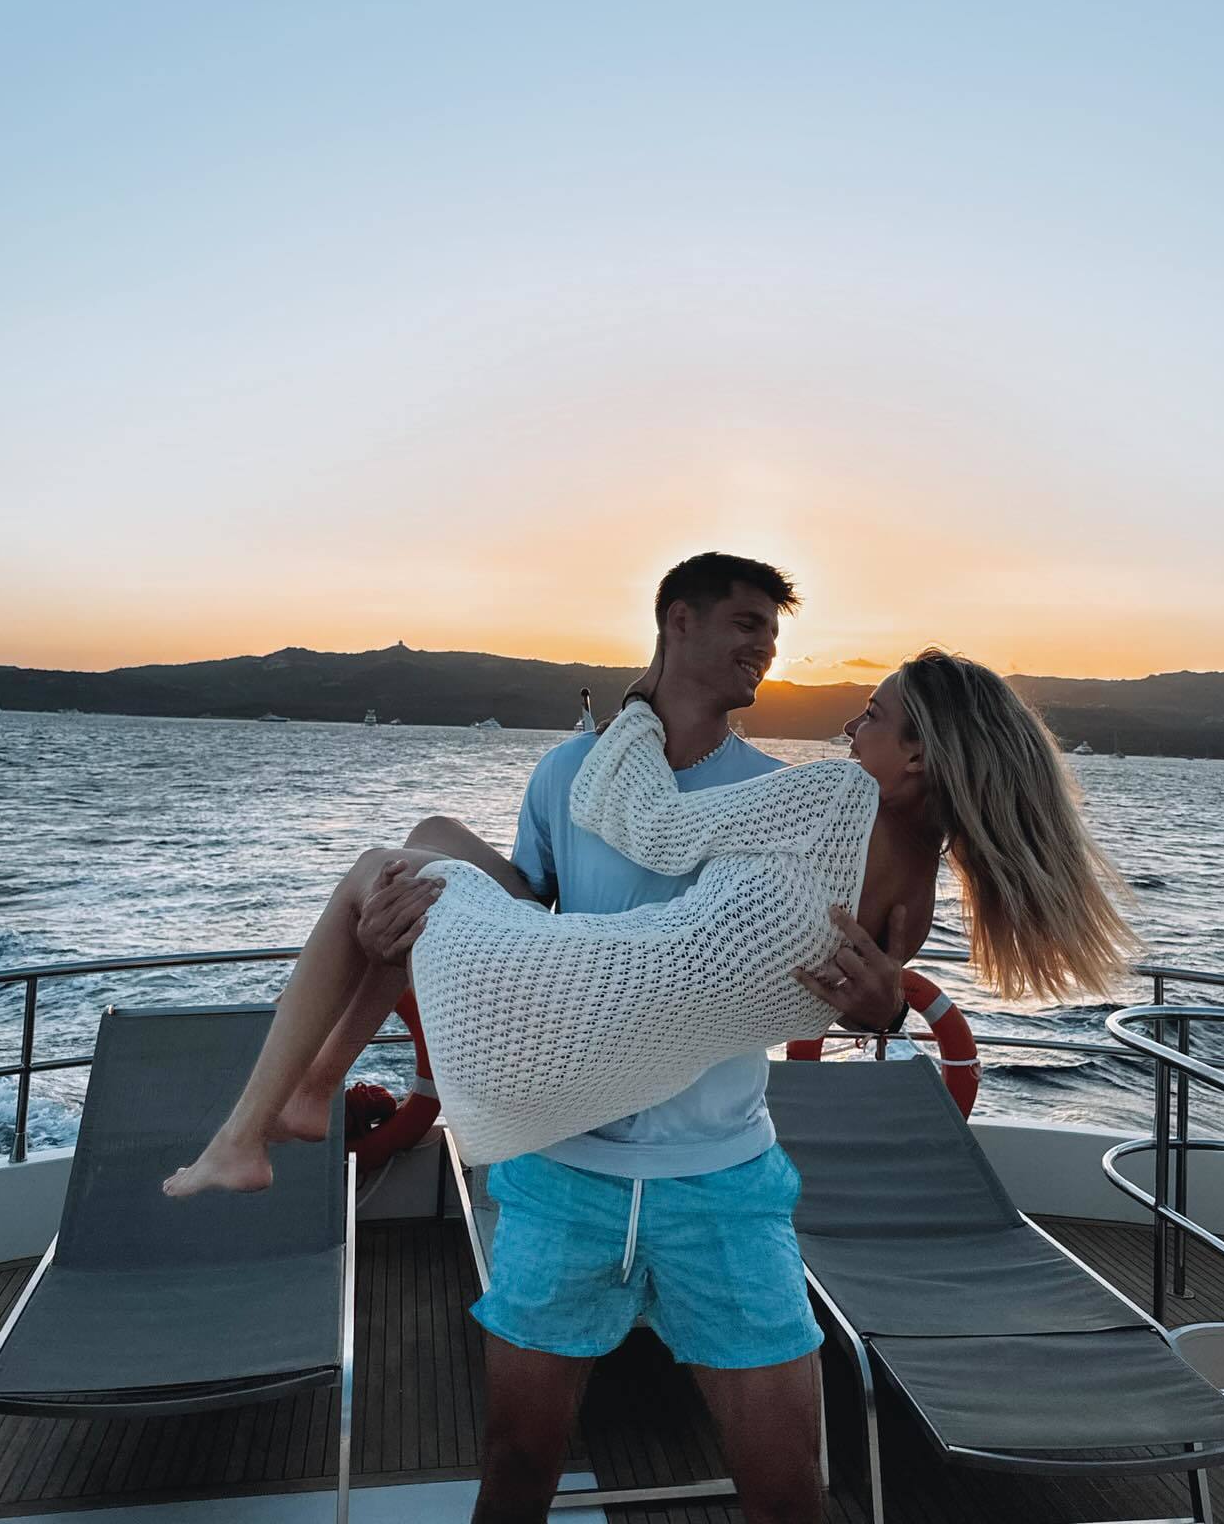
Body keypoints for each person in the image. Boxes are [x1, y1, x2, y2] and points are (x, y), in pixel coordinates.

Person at [163, 555, 1137, 1524]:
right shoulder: (581, 778)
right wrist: (400, 935)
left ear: (918, 757)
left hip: (709, 1163)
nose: (774, 661)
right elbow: (546, 907)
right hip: (570, 1146)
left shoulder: (808, 794)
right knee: (530, 1460)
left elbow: (722, 888)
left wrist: (880, 1015)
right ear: (678, 627)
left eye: (868, 714)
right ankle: (302, 1092)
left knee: (781, 1480)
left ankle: (278, 1109)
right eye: (742, 628)